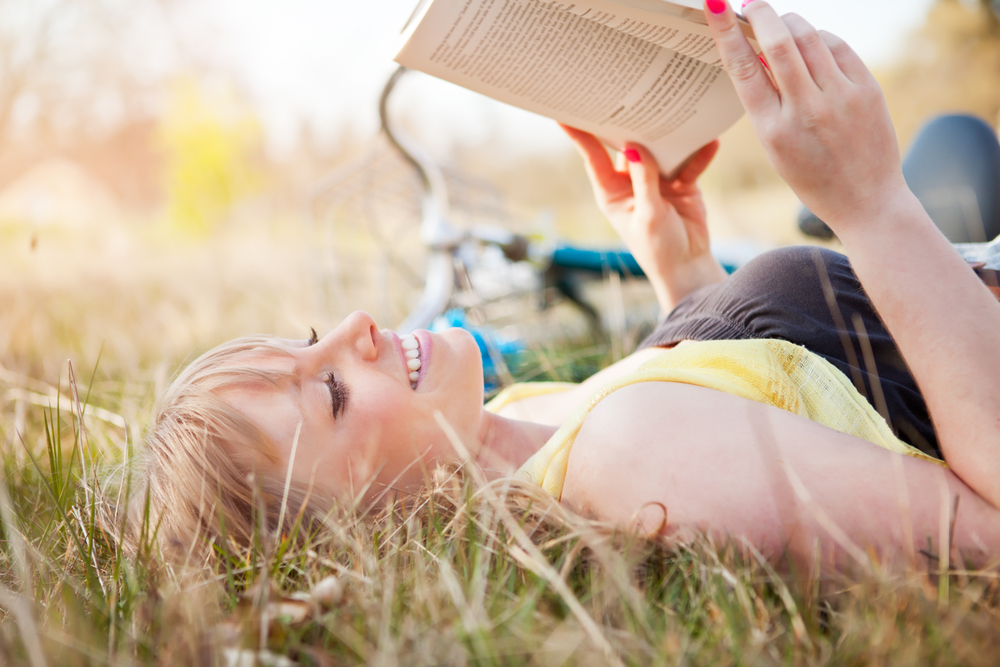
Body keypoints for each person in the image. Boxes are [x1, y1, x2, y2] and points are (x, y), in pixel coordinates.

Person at [130, 1, 1000, 571]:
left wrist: (682, 271)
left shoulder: (530, 424)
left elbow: (777, 403)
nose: (356, 325)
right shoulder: (625, 459)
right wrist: (874, 205)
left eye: (308, 336)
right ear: (363, 534)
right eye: (328, 392)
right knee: (955, 141)